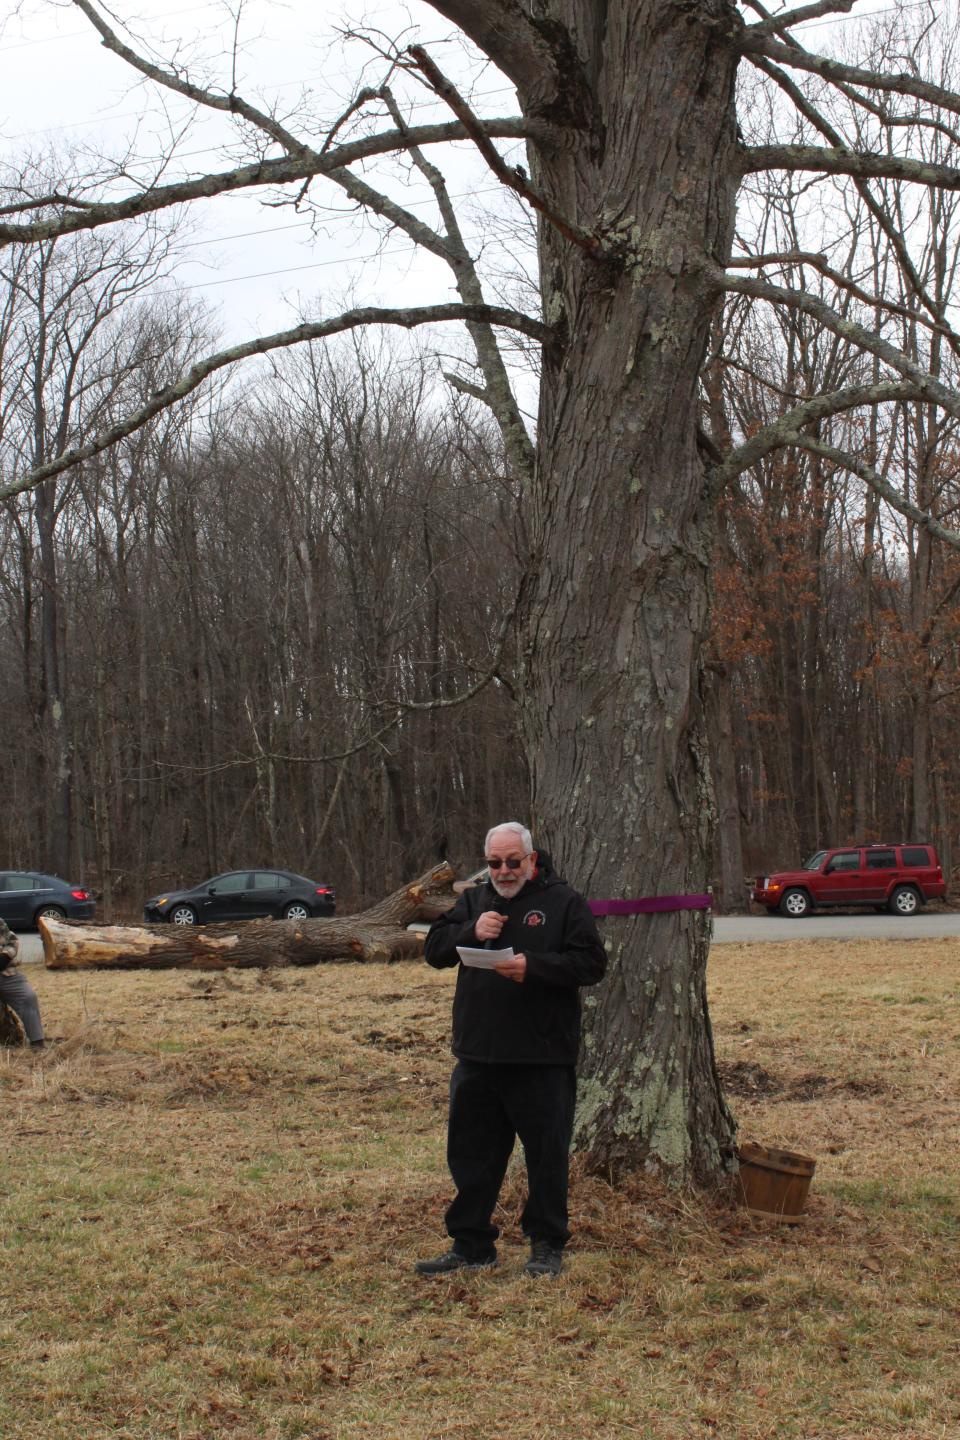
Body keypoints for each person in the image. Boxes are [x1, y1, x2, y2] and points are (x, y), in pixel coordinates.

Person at [416, 821, 606, 1278]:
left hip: (540, 1057)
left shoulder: (564, 903)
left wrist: (533, 968)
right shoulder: (474, 902)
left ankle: (546, 1245)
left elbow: (591, 963)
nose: (503, 871)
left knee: (545, 1156)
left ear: (532, 860)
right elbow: (433, 950)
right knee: (471, 1156)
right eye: (494, 863)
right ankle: (471, 1244)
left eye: (512, 862)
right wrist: (471, 931)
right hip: (478, 1055)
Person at [0, 918, 45, 1049]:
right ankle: (9, 1038)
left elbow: (12, 941)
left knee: (28, 997)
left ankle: (37, 1042)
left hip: (6, 973)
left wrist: (5, 956)